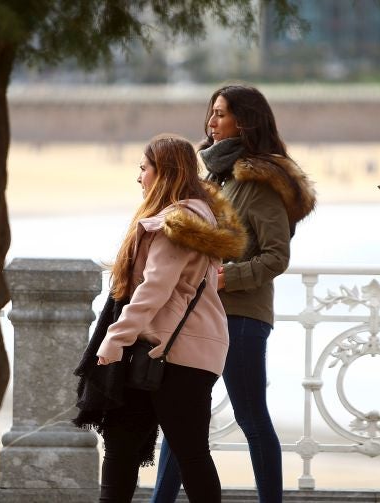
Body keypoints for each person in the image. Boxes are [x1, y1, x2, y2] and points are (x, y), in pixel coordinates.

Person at [152, 84, 316, 503]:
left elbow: (277, 255)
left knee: (251, 417)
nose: (211, 121)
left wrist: (227, 278)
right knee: (183, 418)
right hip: (201, 315)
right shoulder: (216, 178)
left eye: (221, 113)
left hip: (242, 317)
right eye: (211, 112)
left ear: (245, 122)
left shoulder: (258, 182)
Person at [73, 134, 247, 502]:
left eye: (144, 168)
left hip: (174, 355)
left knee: (185, 453)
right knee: (125, 446)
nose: (139, 177)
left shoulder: (178, 223)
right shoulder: (195, 217)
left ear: (164, 171)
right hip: (169, 350)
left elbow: (155, 288)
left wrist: (115, 338)